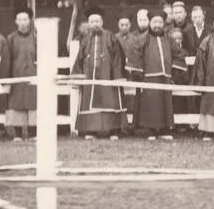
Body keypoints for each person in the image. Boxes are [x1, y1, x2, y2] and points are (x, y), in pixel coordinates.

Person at [73, 8, 126, 138]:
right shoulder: (85, 39)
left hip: (108, 76)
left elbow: (118, 57)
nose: (95, 24)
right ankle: (91, 131)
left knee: (111, 102)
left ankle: (113, 130)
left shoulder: (110, 37)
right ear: (89, 23)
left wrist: (117, 76)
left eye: (97, 21)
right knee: (90, 102)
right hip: (90, 78)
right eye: (92, 22)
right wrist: (77, 77)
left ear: (102, 22)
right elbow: (80, 58)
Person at [137, 12, 179, 136]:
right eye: (154, 22)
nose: (157, 25)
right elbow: (136, 55)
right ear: (150, 23)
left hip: (166, 77)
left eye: (160, 22)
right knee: (152, 104)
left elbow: (178, 53)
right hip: (149, 76)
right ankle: (151, 130)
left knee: (165, 104)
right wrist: (139, 75)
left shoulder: (169, 39)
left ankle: (165, 129)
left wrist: (175, 73)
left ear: (163, 24)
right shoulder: (143, 38)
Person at [5, 9, 38, 141]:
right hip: (17, 75)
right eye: (20, 20)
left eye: (25, 19)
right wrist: (7, 79)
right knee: (17, 103)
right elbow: (7, 60)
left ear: (29, 21)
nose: (23, 23)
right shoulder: (11, 39)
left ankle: (33, 133)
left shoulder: (36, 38)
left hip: (33, 75)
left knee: (33, 103)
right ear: (16, 22)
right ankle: (18, 134)